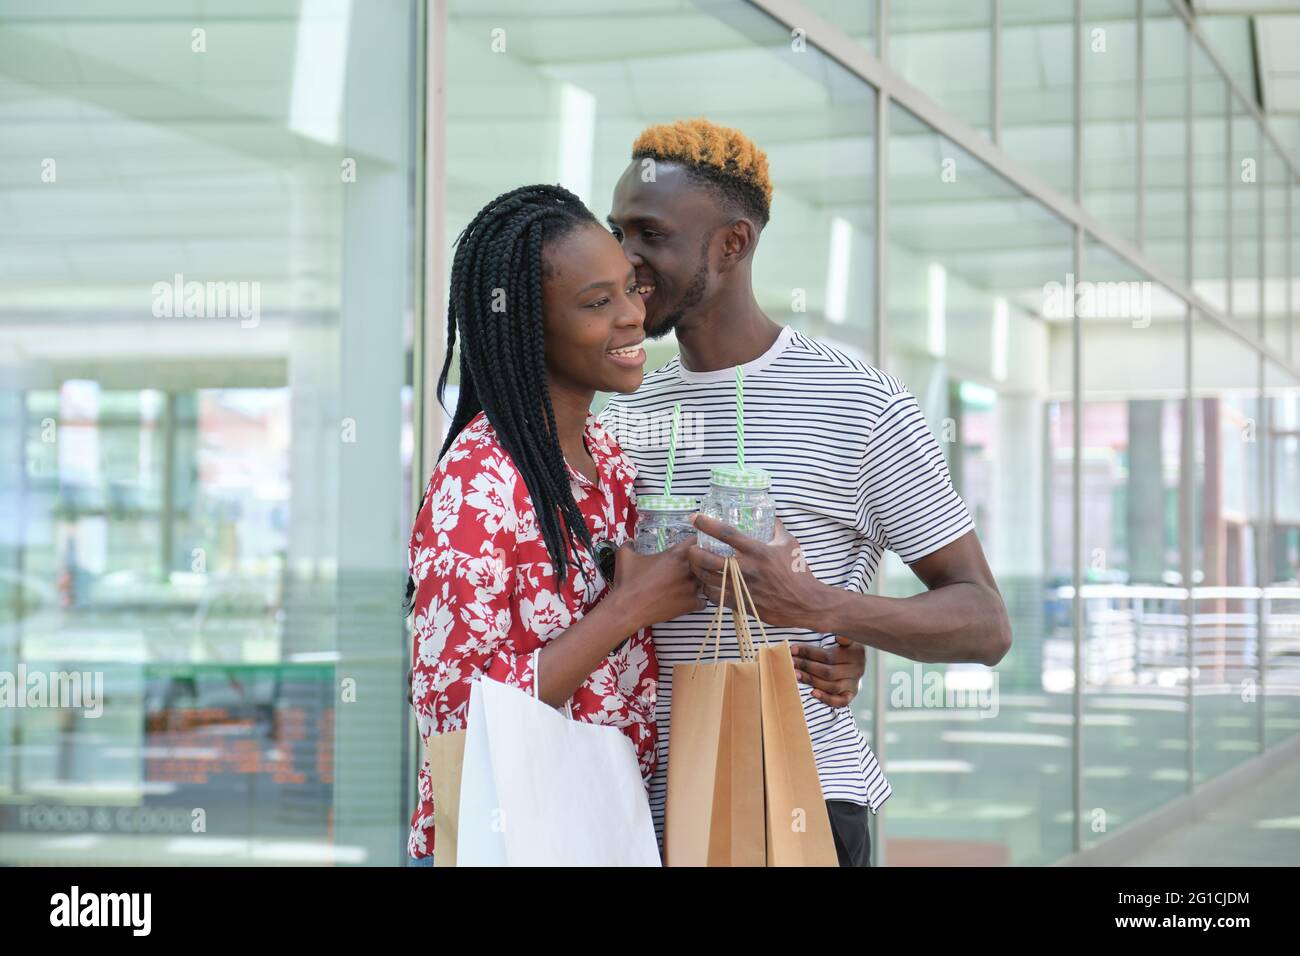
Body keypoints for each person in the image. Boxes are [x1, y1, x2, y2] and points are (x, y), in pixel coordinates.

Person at [599, 118, 1013, 867]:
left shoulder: (860, 403)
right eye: (617, 231)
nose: (624, 260)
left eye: (649, 235)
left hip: (793, 800)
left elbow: (985, 622)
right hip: (634, 812)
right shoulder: (622, 412)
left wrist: (822, 609)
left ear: (732, 244)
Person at [404, 184, 703, 864]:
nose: (632, 316)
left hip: (600, 825)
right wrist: (625, 609)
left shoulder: (608, 460)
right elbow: (454, 712)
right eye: (598, 303)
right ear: (526, 326)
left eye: (631, 289)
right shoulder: (478, 483)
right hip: (506, 838)